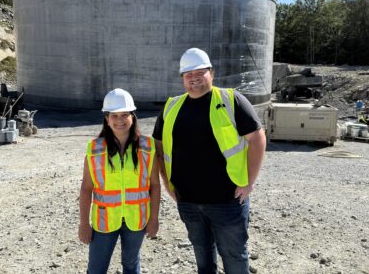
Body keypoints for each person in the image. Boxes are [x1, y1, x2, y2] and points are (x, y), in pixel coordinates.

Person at [152, 48, 266, 274]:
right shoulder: (172, 107)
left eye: (200, 72)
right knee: (203, 258)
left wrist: (249, 182)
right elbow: (159, 148)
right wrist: (168, 184)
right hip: (188, 202)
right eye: (188, 74)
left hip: (227, 201)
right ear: (183, 78)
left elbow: (257, 139)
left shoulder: (231, 100)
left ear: (211, 73)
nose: (194, 78)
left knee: (234, 258)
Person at [79, 88, 160, 274]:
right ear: (107, 119)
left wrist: (154, 218)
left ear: (133, 116)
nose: (120, 120)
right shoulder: (95, 149)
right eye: (114, 115)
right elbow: (86, 188)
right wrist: (83, 224)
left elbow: (155, 186)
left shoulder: (147, 147)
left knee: (131, 266)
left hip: (136, 219)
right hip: (104, 220)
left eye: (125, 115)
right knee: (96, 269)